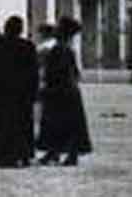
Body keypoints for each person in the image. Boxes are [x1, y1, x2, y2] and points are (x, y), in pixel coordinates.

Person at [36, 16, 92, 166]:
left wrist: (47, 86)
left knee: (57, 122)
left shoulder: (59, 49)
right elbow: (76, 73)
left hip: (60, 90)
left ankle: (58, 152)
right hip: (69, 90)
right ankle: (58, 153)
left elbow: (56, 72)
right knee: (67, 123)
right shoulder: (68, 49)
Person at [0, 15, 39, 167]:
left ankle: (7, 154)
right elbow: (34, 72)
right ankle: (25, 154)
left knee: (6, 124)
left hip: (4, 91)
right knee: (24, 123)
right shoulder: (28, 46)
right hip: (23, 91)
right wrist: (34, 91)